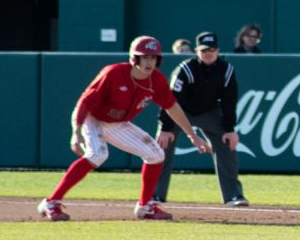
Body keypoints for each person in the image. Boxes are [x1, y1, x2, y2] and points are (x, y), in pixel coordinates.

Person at [36, 36, 210, 222]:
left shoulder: (156, 80)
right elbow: (84, 102)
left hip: (116, 123)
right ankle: (51, 202)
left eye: (153, 58)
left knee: (156, 155)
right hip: (92, 118)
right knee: (97, 155)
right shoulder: (113, 73)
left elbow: (172, 107)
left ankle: (144, 207)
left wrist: (193, 135)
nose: (149, 62)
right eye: (145, 57)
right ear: (135, 58)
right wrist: (76, 132)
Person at [154, 31, 246, 206]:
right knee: (162, 144)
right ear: (196, 51)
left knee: (227, 143)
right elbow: (170, 100)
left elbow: (229, 102)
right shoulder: (186, 69)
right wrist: (165, 127)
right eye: (204, 50)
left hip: (209, 111)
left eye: (212, 49)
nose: (208, 53)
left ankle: (233, 195)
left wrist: (230, 129)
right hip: (180, 111)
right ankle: (155, 194)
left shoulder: (226, 70)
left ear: (218, 50)